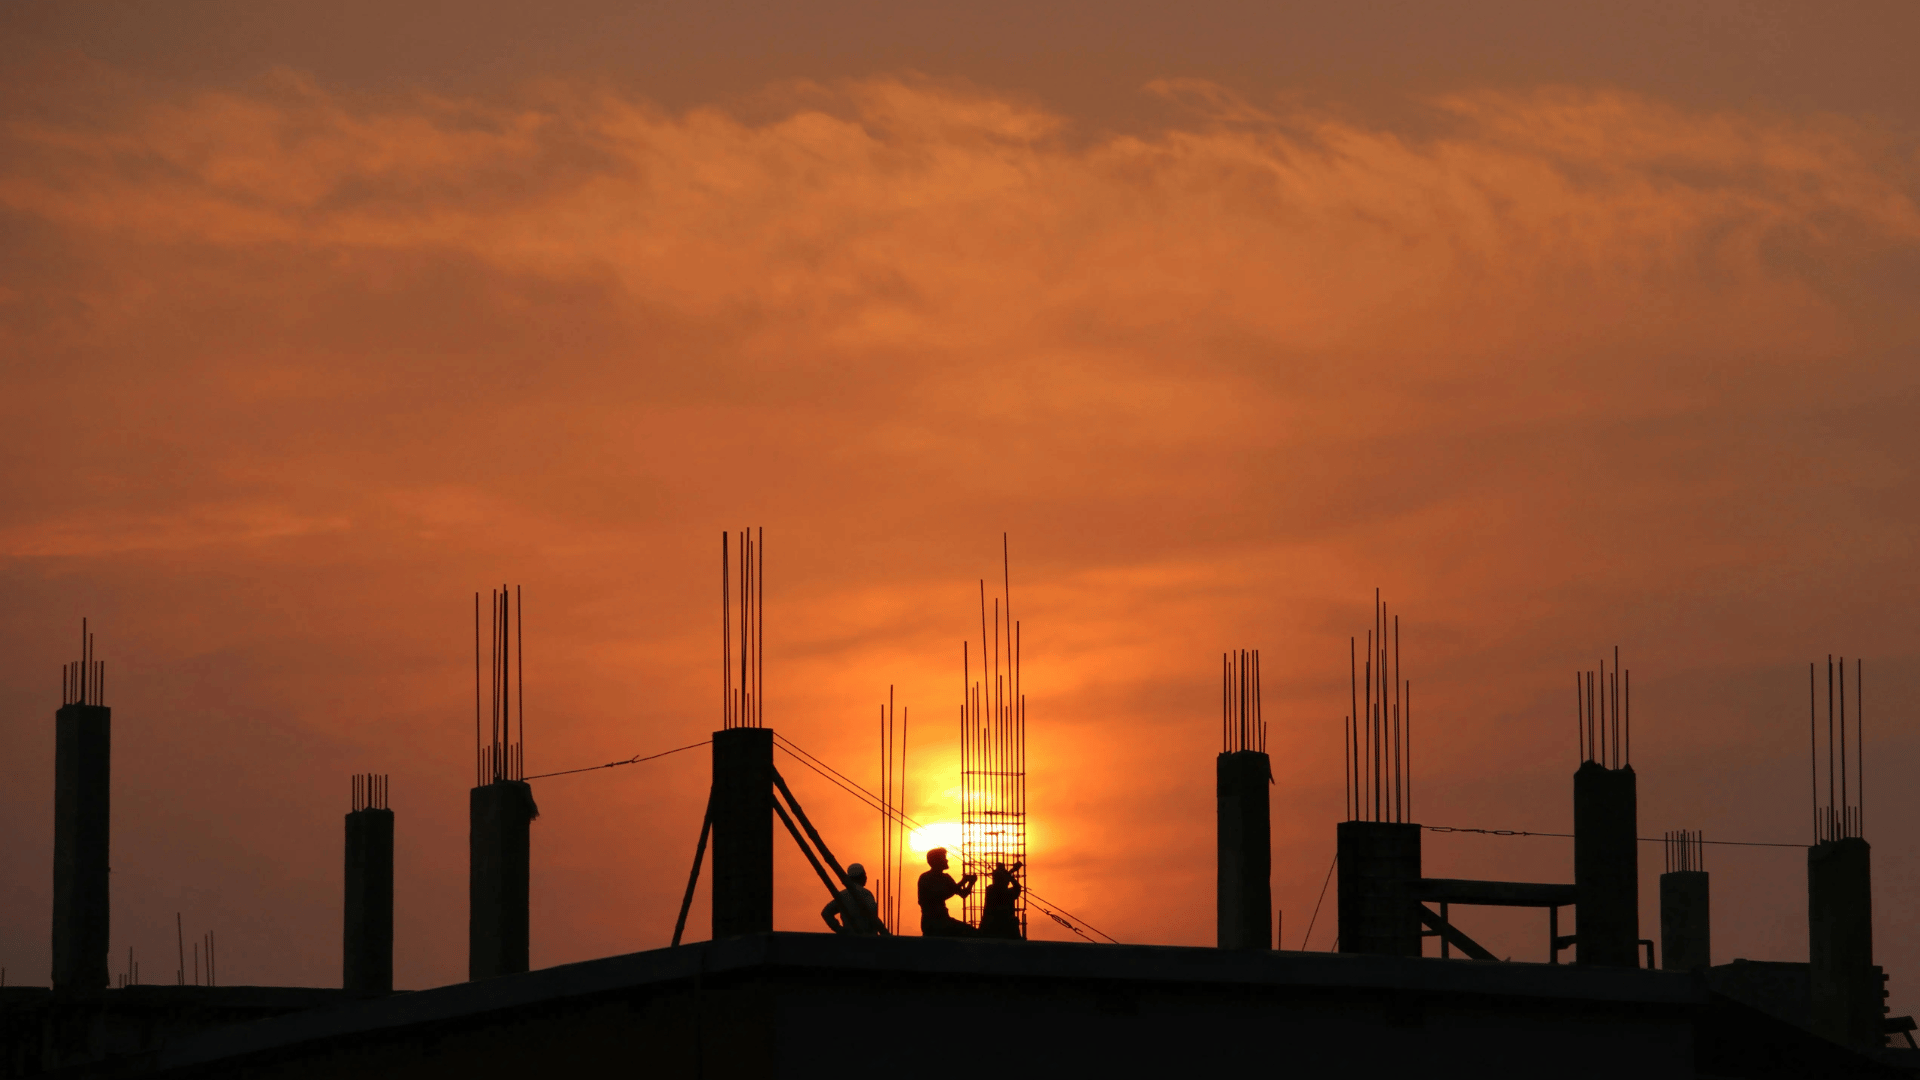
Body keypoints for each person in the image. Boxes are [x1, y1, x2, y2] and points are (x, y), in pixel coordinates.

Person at [917, 848, 976, 937]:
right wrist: (963, 882)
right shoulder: (926, 878)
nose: (946, 860)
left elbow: (963, 894)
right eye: (944, 858)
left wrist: (971, 883)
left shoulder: (946, 877)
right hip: (932, 922)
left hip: (944, 919)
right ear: (937, 861)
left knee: (972, 932)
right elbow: (939, 896)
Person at [821, 862, 883, 935]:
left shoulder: (842, 895)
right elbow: (873, 917)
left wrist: (839, 929)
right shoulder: (867, 894)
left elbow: (826, 913)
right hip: (867, 937)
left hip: (849, 937)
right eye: (865, 875)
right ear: (862, 877)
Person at [978, 861, 1024, 940]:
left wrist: (1009, 873)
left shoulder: (991, 889)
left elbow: (1015, 887)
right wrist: (1010, 874)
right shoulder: (1001, 892)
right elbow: (1017, 887)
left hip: (989, 930)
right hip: (1000, 930)